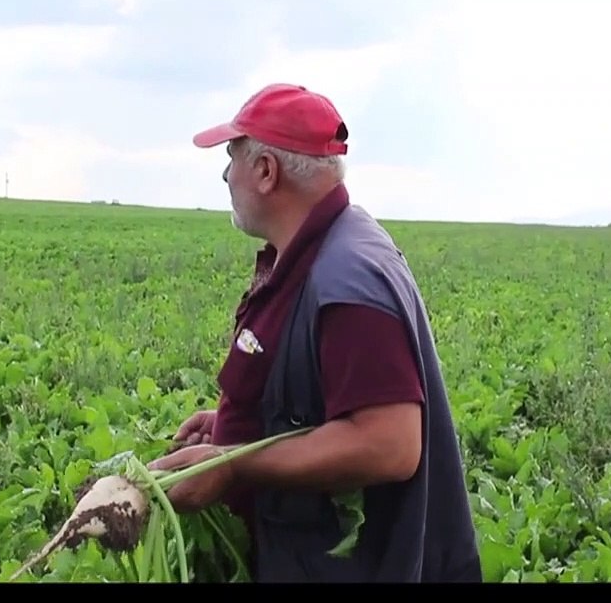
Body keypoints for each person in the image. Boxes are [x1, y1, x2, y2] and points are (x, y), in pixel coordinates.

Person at [147, 83, 482, 583]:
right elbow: (323, 395)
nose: (224, 173)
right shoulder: (323, 249)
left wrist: (234, 465)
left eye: (232, 155)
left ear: (265, 171)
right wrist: (237, 423)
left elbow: (388, 444)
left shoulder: (347, 278)